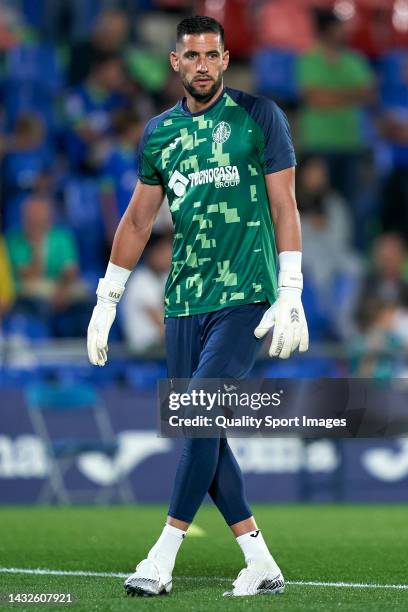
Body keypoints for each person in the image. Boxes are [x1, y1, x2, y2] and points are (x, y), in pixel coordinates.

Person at [87, 16, 308, 598]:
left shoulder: (260, 117)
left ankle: (162, 558)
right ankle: (259, 561)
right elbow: (138, 221)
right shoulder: (159, 133)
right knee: (204, 431)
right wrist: (106, 301)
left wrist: (291, 290)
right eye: (193, 55)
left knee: (200, 415)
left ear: (226, 60)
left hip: (247, 296)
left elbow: (285, 205)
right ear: (175, 63)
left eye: (213, 54)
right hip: (183, 301)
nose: (203, 64)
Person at [297, 8, 375, 208]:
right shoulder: (309, 60)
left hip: (350, 144)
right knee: (315, 204)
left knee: (350, 206)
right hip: (319, 143)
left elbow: (369, 95)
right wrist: (351, 95)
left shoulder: (355, 60)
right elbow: (315, 99)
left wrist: (330, 95)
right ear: (325, 31)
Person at [121, 232, 172, 354]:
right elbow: (162, 326)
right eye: (163, 251)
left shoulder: (165, 277)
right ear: (152, 254)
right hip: (145, 351)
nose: (170, 255)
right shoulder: (141, 280)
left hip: (161, 347)